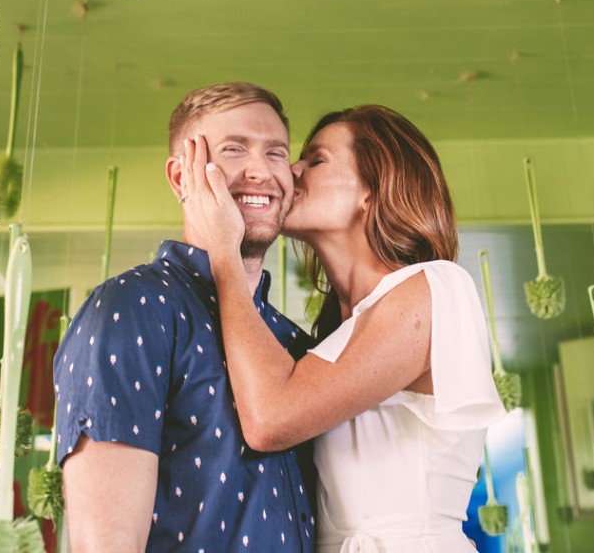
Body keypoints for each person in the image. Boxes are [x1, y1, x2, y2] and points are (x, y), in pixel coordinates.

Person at [179, 104, 507, 552]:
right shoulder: (334, 336)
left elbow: (270, 419)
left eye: (315, 160)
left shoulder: (434, 288)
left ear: (371, 190)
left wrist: (223, 249)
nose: (291, 170)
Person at [53, 82, 316, 552]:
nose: (261, 171)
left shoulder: (293, 343)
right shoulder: (130, 309)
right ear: (181, 178)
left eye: (276, 154)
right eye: (234, 150)